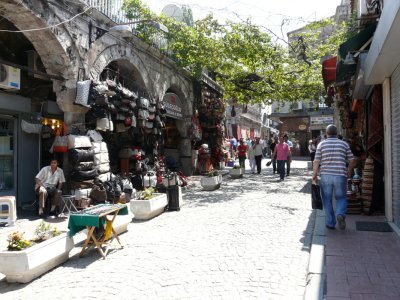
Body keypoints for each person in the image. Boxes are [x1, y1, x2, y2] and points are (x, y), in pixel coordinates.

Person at [312, 124, 356, 230]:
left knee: (327, 199)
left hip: (325, 175)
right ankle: (340, 214)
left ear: (326, 134)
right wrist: (349, 171)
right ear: (336, 133)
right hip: (340, 175)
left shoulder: (321, 145)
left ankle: (330, 223)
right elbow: (352, 160)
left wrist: (314, 175)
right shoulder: (344, 144)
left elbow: (316, 161)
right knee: (341, 198)